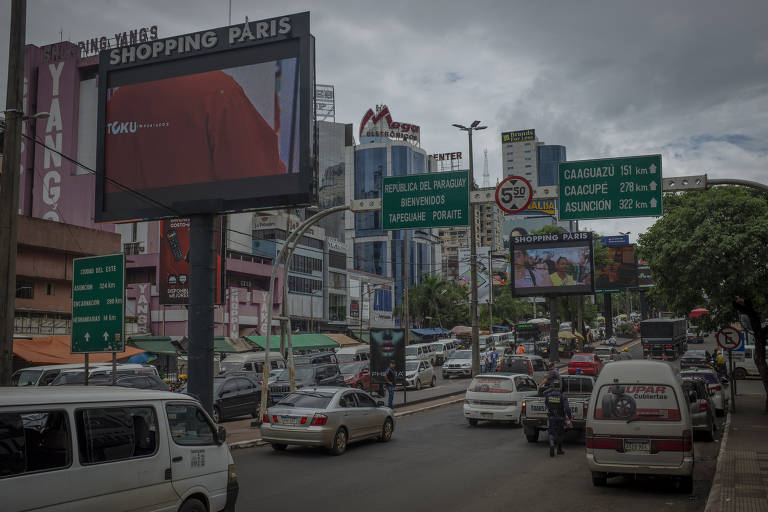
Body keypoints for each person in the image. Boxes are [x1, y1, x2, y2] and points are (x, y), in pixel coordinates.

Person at [544, 379, 572, 457]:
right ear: (559, 387)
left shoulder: (548, 396)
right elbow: (567, 408)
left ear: (553, 387)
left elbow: (546, 404)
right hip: (560, 418)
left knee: (551, 432)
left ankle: (552, 443)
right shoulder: (563, 396)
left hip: (551, 417)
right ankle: (559, 450)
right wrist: (569, 417)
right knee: (560, 434)